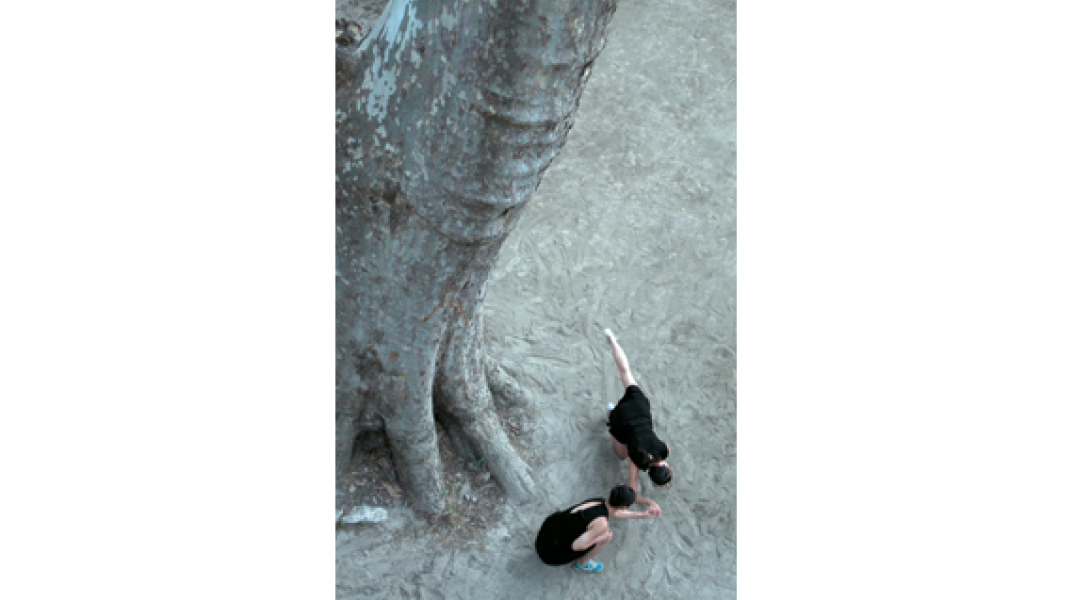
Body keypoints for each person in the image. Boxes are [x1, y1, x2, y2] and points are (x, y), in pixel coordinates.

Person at [604, 328, 672, 514]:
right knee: (621, 454)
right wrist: (648, 503)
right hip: (623, 419)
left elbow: (660, 461)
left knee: (625, 372)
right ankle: (611, 414)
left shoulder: (664, 450)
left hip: (639, 407)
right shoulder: (637, 460)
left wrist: (664, 475)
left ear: (665, 465)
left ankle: (612, 340)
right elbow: (633, 493)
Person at [534, 485, 658, 573]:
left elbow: (616, 513)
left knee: (594, 532)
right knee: (606, 537)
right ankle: (582, 564)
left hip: (546, 534)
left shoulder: (599, 501)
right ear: (624, 506)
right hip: (549, 554)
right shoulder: (601, 524)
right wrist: (600, 538)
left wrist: (642, 515)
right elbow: (577, 546)